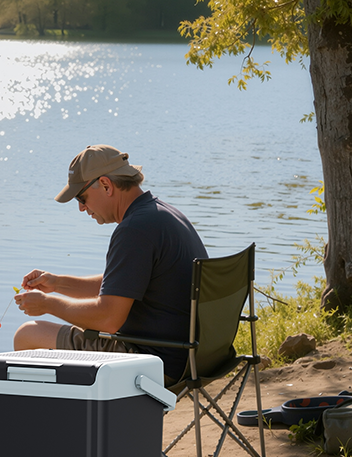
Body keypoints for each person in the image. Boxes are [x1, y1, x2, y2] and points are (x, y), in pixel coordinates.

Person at [11, 145, 207, 386]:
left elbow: (108, 319)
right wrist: (57, 283)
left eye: (81, 198)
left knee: (29, 334)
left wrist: (48, 304)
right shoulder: (162, 214)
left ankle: (61, 410)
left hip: (155, 363)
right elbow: (121, 284)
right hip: (194, 357)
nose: (81, 208)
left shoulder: (134, 230)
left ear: (105, 185)